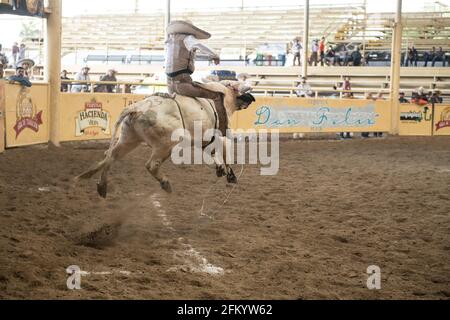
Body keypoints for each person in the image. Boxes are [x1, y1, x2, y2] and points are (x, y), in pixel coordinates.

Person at [164, 20, 229, 135]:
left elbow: (186, 56)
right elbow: (199, 45)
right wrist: (214, 55)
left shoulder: (170, 40)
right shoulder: (188, 39)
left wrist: (208, 57)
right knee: (218, 96)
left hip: (169, 84)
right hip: (182, 84)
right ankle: (222, 132)